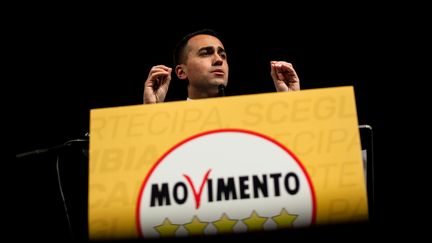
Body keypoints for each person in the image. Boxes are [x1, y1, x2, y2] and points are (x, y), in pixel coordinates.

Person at [143, 29, 300, 104]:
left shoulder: (251, 116)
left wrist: (291, 103)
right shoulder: (170, 122)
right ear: (181, 72)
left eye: (223, 55)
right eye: (206, 53)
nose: (219, 60)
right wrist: (151, 112)